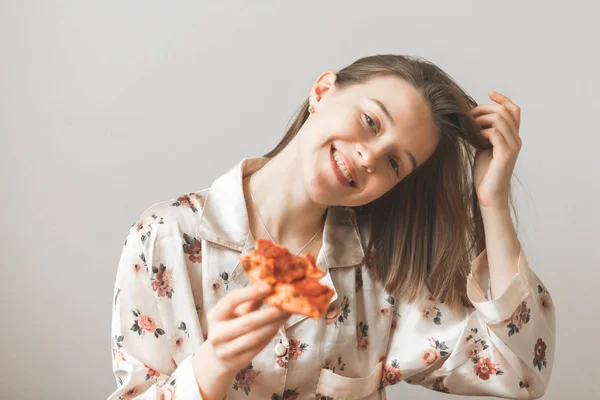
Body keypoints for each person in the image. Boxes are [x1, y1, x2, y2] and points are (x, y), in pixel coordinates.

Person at [108, 54, 555, 400]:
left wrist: (492, 203)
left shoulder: (383, 278)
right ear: (322, 91)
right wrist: (212, 366)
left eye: (394, 162)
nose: (368, 157)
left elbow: (519, 374)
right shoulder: (165, 239)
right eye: (370, 122)